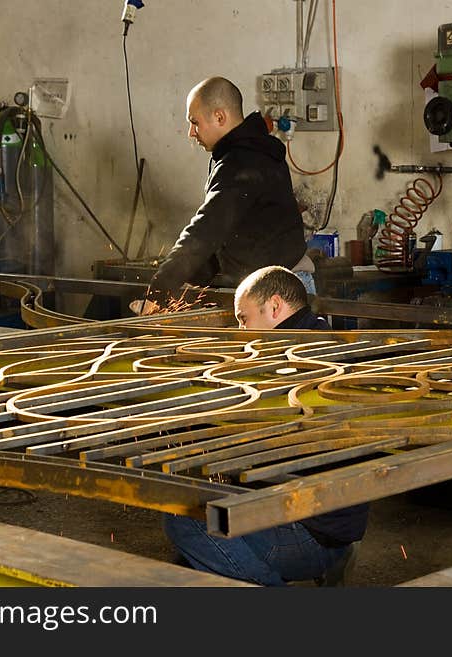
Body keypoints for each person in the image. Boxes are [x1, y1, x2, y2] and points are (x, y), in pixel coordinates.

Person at [163, 266, 369, 586]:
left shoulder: (290, 360)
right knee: (191, 562)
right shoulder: (322, 338)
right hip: (333, 526)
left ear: (274, 306)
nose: (241, 331)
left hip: (311, 532)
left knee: (185, 520)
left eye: (243, 319)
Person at [145, 77, 315, 309]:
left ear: (219, 117)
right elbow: (225, 236)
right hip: (267, 288)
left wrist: (159, 290)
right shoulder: (244, 154)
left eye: (194, 122)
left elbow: (206, 230)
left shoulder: (243, 161)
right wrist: (190, 280)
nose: (191, 133)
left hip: (280, 294)